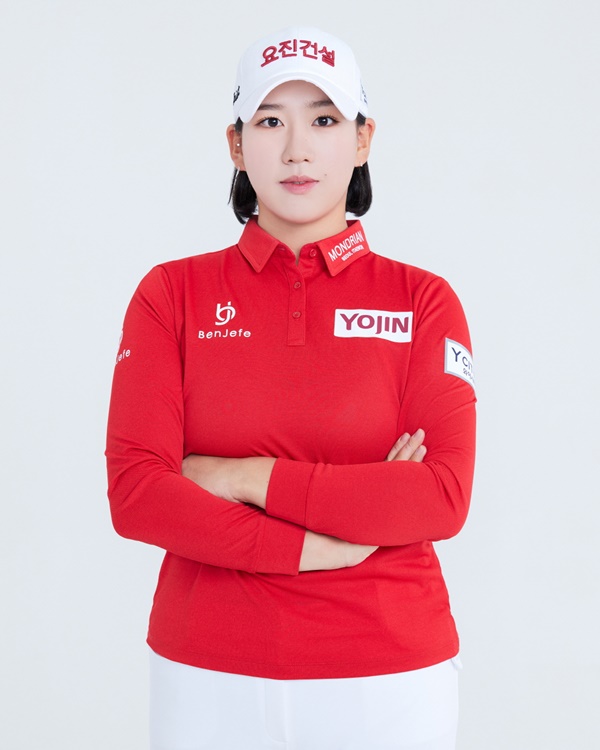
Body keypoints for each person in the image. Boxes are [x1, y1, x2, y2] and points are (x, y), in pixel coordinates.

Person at [106, 25, 476, 750]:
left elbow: (438, 496)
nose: (297, 150)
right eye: (271, 122)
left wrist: (239, 476)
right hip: (206, 675)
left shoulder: (423, 301)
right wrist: (320, 543)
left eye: (325, 120)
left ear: (363, 139)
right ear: (237, 145)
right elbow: (139, 494)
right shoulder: (170, 295)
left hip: (390, 680)